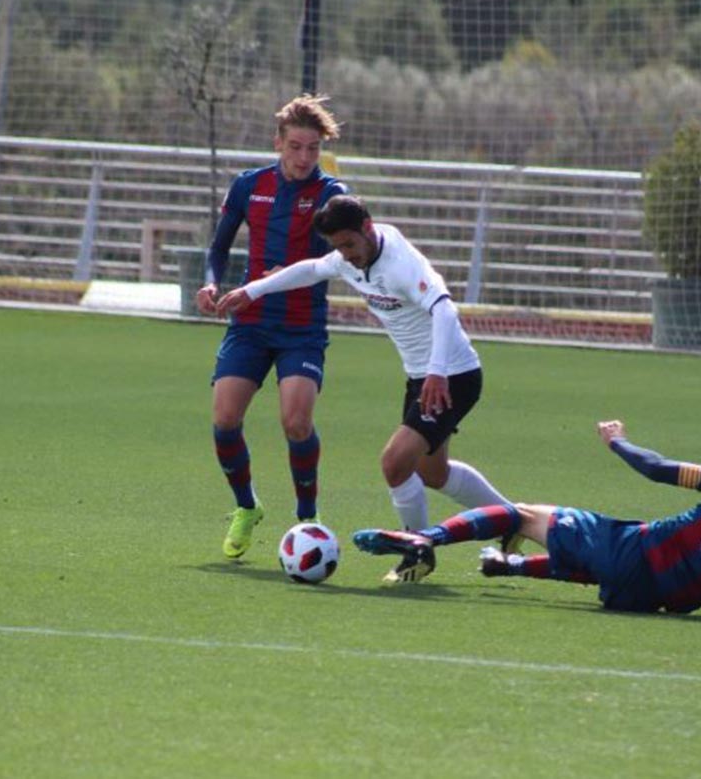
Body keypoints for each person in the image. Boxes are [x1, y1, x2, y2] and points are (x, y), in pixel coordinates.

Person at [216, 194, 512, 582]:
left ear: (368, 228)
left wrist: (437, 373)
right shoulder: (347, 256)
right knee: (433, 474)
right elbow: (313, 268)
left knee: (394, 463)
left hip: (451, 375)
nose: (346, 255)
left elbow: (444, 309)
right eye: (339, 247)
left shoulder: (402, 263)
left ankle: (416, 551)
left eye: (350, 244)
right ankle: (514, 520)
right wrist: (253, 290)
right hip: (422, 376)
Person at [352, 419, 701, 626]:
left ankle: (428, 538)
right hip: (646, 600)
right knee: (607, 559)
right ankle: (512, 565)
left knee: (524, 512)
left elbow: (660, 469)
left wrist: (618, 441)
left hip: (634, 552)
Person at [196, 94, 348, 559]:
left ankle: (308, 518)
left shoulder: (331, 195)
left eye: (313, 149)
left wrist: (283, 277)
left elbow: (333, 258)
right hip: (250, 322)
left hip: (301, 326)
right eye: (296, 147)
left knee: (296, 422)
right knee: (224, 419)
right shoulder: (248, 186)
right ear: (278, 142)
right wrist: (209, 282)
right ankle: (247, 507)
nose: (305, 158)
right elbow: (218, 247)